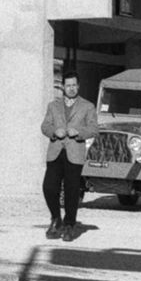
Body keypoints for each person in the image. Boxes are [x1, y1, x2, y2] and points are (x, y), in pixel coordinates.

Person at [40, 71, 99, 241]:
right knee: (49, 187)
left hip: (75, 153)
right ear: (63, 87)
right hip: (56, 152)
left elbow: (94, 129)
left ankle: (70, 224)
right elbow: (45, 126)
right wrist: (53, 131)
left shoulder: (88, 106)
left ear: (78, 86)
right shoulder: (53, 106)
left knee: (72, 190)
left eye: (74, 85)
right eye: (68, 85)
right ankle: (56, 218)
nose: (71, 88)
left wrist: (79, 132)